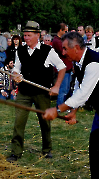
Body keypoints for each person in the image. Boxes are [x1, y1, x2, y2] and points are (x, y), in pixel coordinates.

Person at [43, 32, 99, 179]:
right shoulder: (79, 63)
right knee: (96, 148)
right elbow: (79, 88)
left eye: (65, 49)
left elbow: (83, 94)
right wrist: (73, 111)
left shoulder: (94, 63)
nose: (63, 52)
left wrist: (57, 109)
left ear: (77, 48)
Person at [6, 21, 66, 162]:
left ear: (38, 35)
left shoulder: (48, 50)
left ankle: (47, 149)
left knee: (45, 122)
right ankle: (16, 152)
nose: (26, 38)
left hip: (42, 93)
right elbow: (17, 68)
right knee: (18, 122)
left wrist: (56, 86)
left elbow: (62, 67)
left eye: (29, 35)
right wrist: (15, 75)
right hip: (24, 92)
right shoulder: (20, 50)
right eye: (25, 35)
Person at [52, 23, 73, 106]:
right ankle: (60, 106)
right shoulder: (57, 41)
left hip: (68, 67)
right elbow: (64, 52)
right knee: (63, 89)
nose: (66, 32)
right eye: (65, 31)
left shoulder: (62, 40)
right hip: (63, 67)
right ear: (60, 30)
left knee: (66, 89)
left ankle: (63, 105)